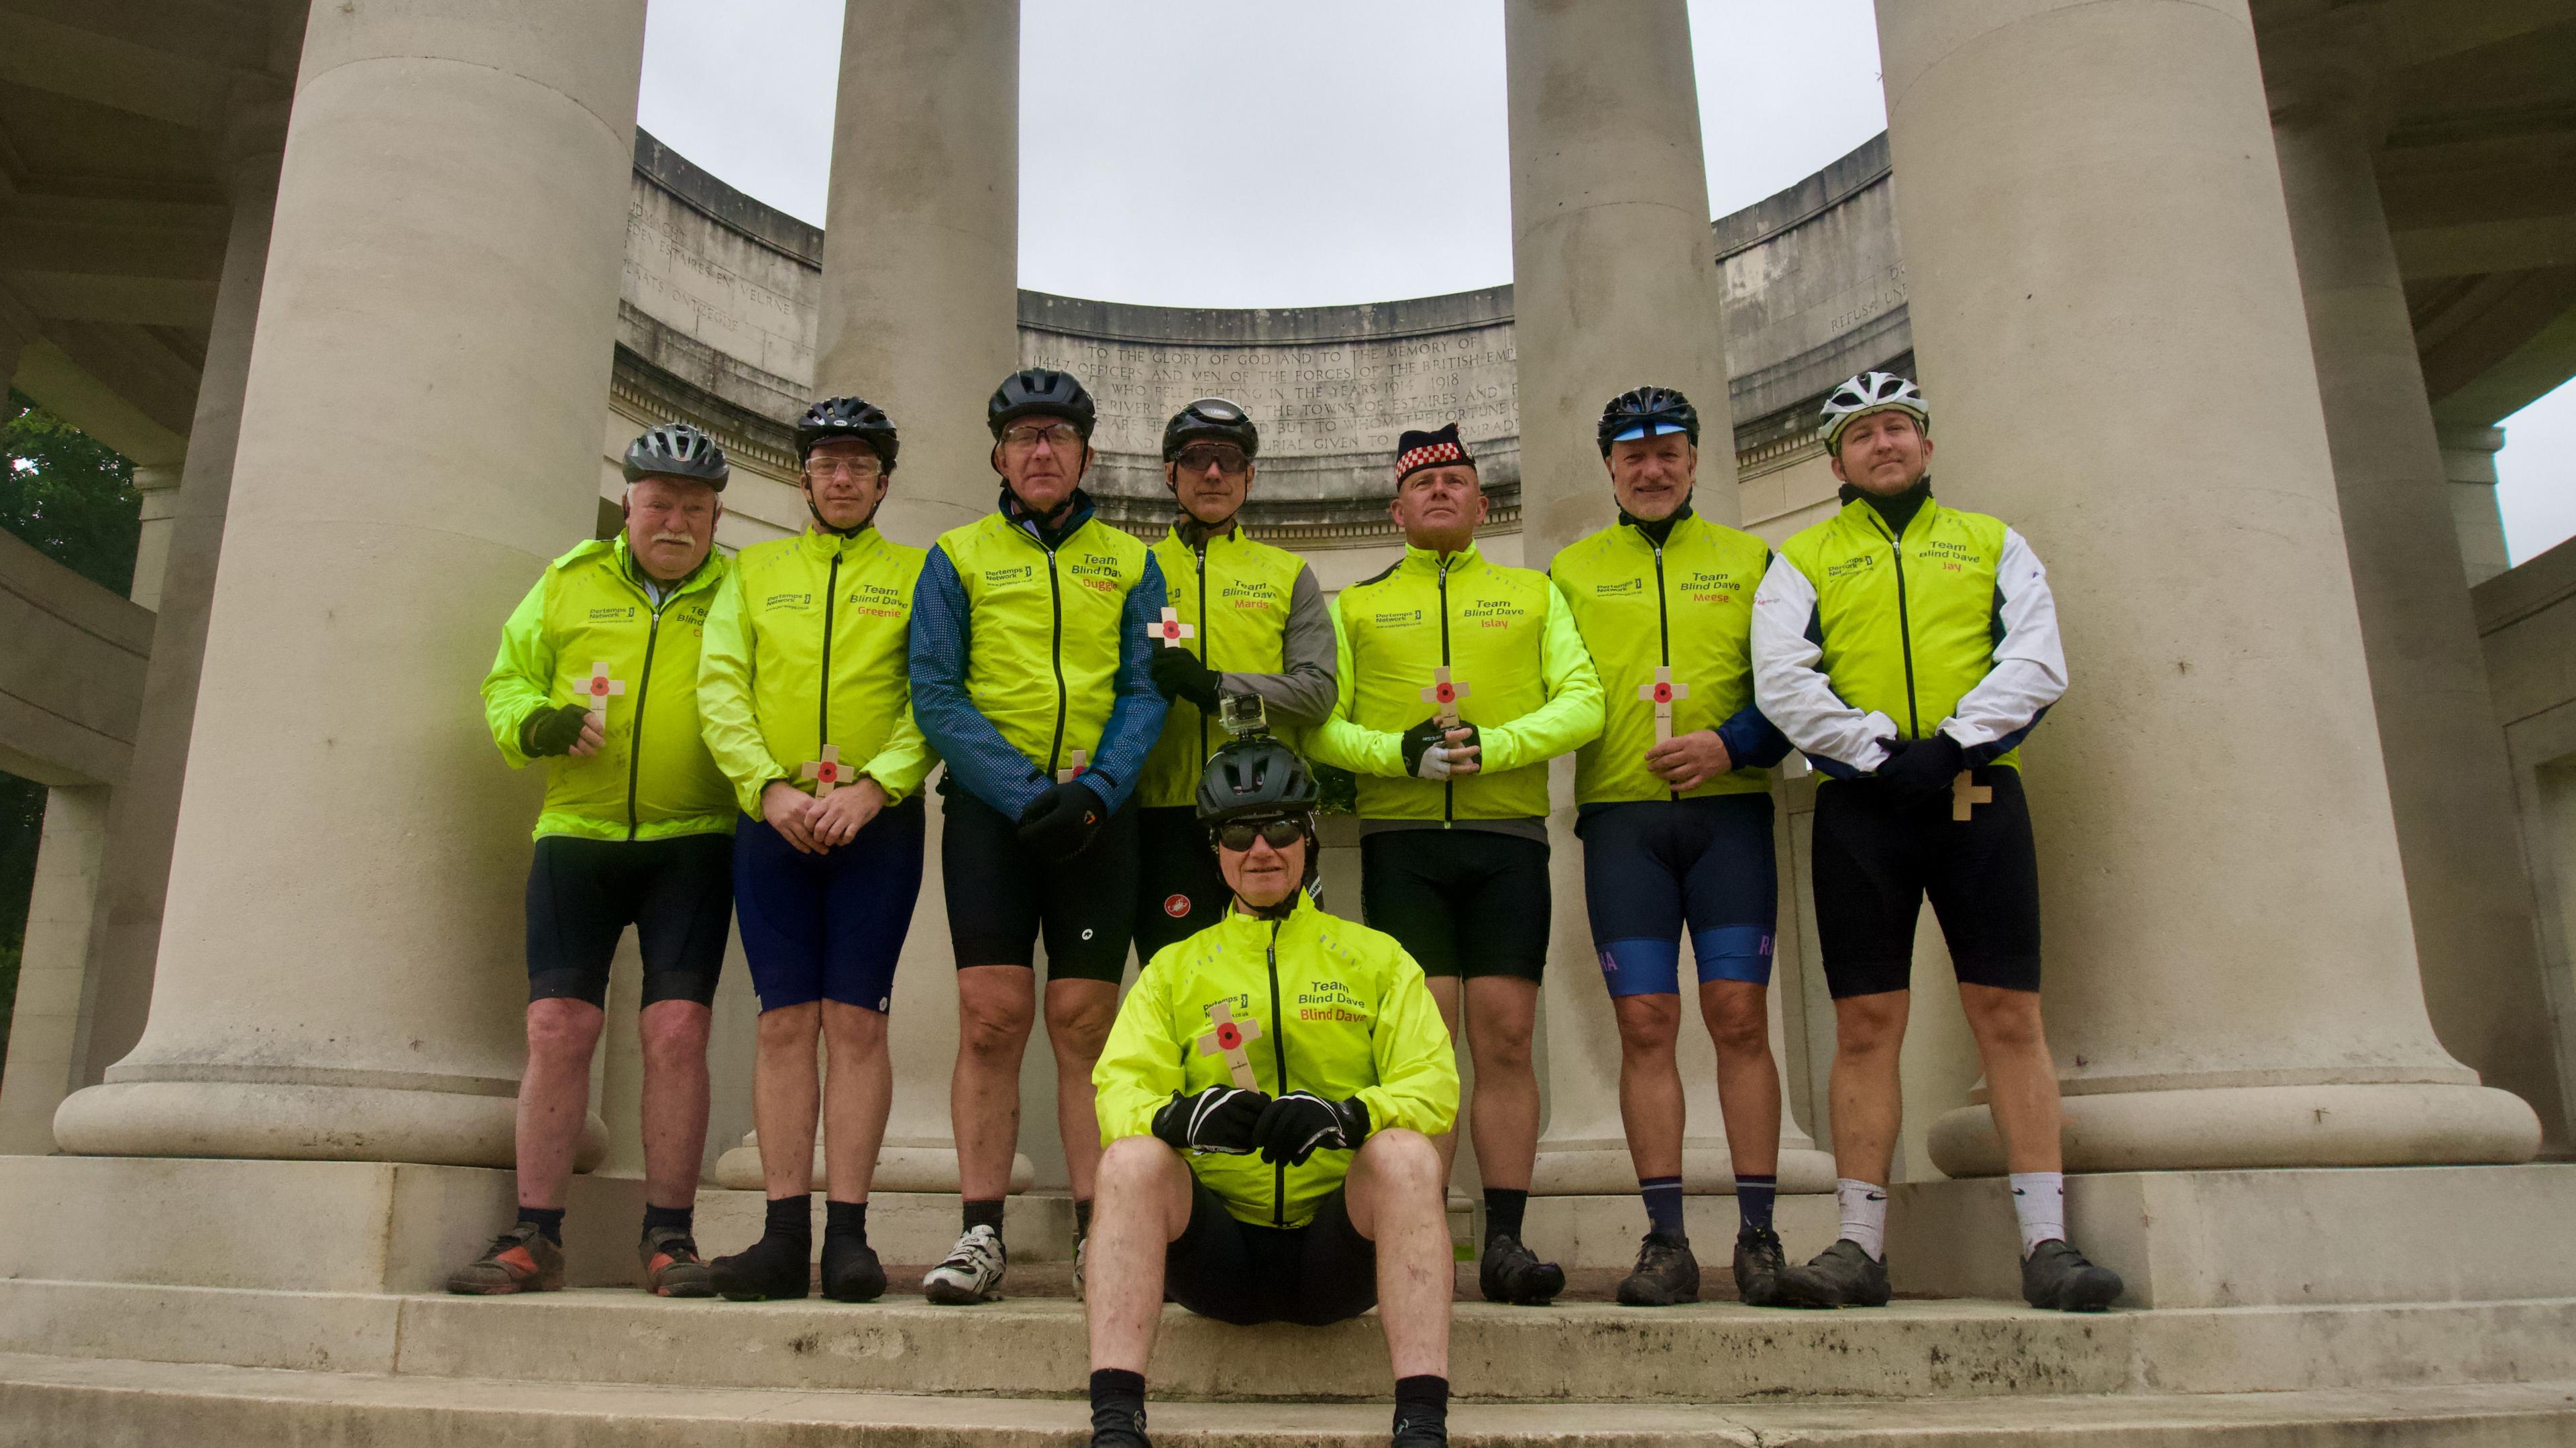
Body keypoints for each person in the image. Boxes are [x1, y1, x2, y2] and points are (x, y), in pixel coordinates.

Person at [1750, 371, 2123, 1312]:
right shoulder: (1801, 558)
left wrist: (1956, 740)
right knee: (1867, 1022)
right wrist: (1877, 751)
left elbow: (2037, 656)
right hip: (1861, 807)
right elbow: (1783, 681)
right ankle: (1857, 1247)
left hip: (1979, 791)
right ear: (1835, 459)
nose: (1884, 444)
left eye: (1898, 428)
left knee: (2008, 1012)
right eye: (1863, 434)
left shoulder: (1994, 542)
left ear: (1925, 443)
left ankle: (2047, 1242)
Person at [1086, 738, 1459, 1448]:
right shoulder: (1175, 968)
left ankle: (1421, 1422)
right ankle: (1115, 1422)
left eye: (1281, 826)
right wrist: (1178, 1116)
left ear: (1310, 835)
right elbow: (1118, 1088)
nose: (1262, 847)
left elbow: (1433, 1081)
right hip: (1217, 1248)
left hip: (1335, 1249)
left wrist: (1352, 1115)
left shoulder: (1377, 958)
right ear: (1216, 848)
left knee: (1409, 1157)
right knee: (1130, 1162)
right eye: (1238, 830)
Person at [1307, 422, 1605, 1307]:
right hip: (1404, 843)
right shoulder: (1353, 605)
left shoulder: (1533, 591)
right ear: (1396, 508)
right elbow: (1323, 723)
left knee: (1508, 1033)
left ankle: (1507, 1239)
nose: (1440, 492)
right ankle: (1419, 1229)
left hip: (1506, 837)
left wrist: (1500, 744)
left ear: (1483, 501)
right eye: (1423, 483)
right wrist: (1400, 753)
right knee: (1424, 1038)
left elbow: (1583, 700)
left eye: (1456, 480)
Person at [451, 423, 737, 1297]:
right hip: (576, 833)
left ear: (717, 515)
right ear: (630, 503)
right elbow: (509, 678)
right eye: (660, 504)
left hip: (694, 837)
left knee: (677, 1030)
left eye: (695, 508)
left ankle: (670, 1237)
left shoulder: (741, 591)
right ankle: (533, 1233)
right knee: (557, 1027)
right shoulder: (570, 580)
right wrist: (530, 722)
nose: (677, 523)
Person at [910, 368, 1170, 1302]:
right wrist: (1024, 790)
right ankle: (981, 1232)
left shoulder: (1137, 561)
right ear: (998, 454)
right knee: (991, 1017)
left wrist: (1099, 788)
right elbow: (935, 691)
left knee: (1086, 1022)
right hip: (995, 812)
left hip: (1099, 816)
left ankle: (1100, 1234)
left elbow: (1149, 688)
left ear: (1088, 454)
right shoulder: (955, 554)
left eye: (1059, 436)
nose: (1042, 451)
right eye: (1024, 436)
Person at [1549, 385, 1796, 1306]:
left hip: (1728, 812)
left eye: (1669, 453)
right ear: (1610, 466)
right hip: (1623, 821)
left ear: (1695, 460)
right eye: (1633, 455)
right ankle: (1666, 1240)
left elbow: (1796, 682)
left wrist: (1731, 743)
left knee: (1739, 1013)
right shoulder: (1570, 572)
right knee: (1645, 1023)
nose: (1652, 469)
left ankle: (1760, 1235)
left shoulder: (1751, 558)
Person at [694, 396, 935, 1302]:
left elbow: (934, 692)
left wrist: (878, 786)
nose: (843, 478)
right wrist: (767, 786)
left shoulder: (918, 573)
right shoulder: (750, 570)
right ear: (803, 475)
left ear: (883, 481)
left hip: (878, 819)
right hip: (776, 816)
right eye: (828, 462)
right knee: (782, 1021)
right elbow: (721, 685)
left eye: (861, 466)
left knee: (858, 1023)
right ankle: (780, 1232)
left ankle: (849, 1237)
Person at [1134, 398, 1336, 958]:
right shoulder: (1134, 568)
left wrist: (1215, 685)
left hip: (1267, 811)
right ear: (1170, 472)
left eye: (1230, 458)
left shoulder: (1288, 573)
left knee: (1288, 988)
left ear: (1251, 474)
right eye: (1197, 458)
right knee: (1176, 988)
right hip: (1163, 812)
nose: (1215, 472)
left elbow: (1317, 692)